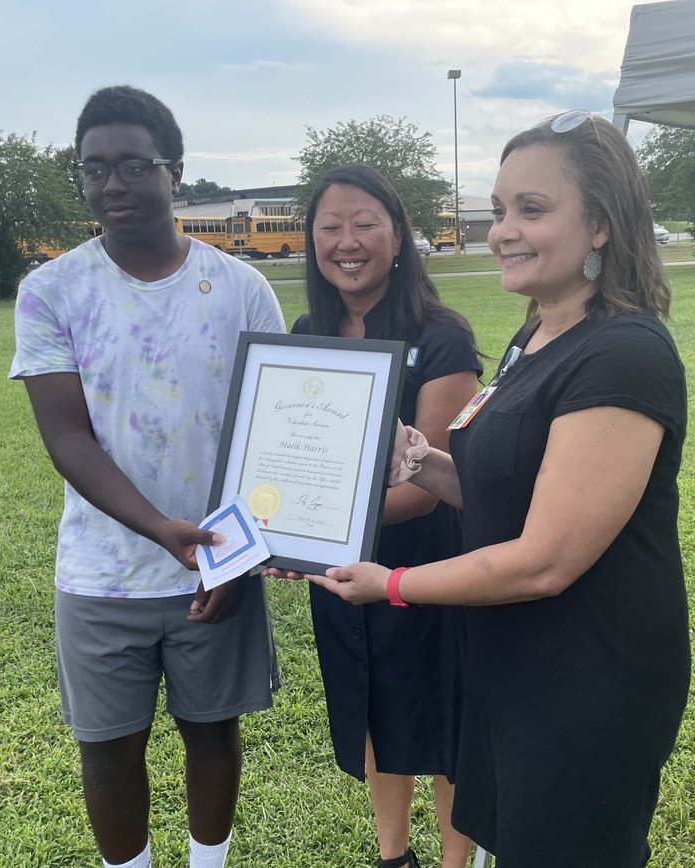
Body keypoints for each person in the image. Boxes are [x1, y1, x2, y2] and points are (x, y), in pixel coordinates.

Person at [309, 113, 691, 867]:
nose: (502, 232)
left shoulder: (623, 354)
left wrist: (392, 583)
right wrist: (422, 461)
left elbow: (546, 559)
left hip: (586, 677)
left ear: (602, 224)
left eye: (532, 209)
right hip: (508, 659)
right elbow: (500, 490)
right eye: (499, 209)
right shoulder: (535, 334)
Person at [10, 85, 285, 868]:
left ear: (175, 173)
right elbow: (67, 435)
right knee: (107, 749)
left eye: (134, 165)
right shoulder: (51, 291)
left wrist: (238, 558)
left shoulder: (241, 288)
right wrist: (160, 529)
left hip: (216, 567)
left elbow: (268, 437)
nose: (112, 185)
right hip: (102, 574)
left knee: (213, 734)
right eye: (93, 169)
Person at [271, 164, 482, 868]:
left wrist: (315, 533)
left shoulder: (441, 336)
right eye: (329, 227)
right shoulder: (309, 331)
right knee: (370, 707)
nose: (347, 241)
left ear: (398, 236)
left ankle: (453, 862)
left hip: (428, 567)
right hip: (342, 570)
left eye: (365, 224)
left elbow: (427, 488)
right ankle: (394, 856)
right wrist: (288, 534)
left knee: (445, 722)